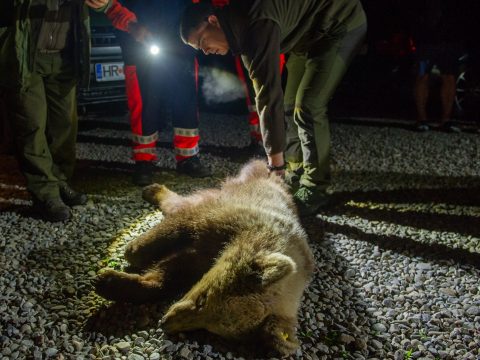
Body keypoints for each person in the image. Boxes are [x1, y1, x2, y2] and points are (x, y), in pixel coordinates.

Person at [180, 0, 367, 215]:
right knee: (288, 105)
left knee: (307, 106)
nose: (205, 51)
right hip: (306, 37)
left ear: (213, 21)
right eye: (198, 48)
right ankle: (295, 173)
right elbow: (265, 97)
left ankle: (315, 188)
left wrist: (274, 169)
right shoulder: (241, 36)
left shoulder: (256, 24)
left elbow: (269, 96)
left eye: (202, 41)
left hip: (339, 22)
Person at [0, 0, 113, 222]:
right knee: (31, 127)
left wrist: (103, 3)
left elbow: (102, 5)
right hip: (25, 55)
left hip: (64, 55)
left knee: (65, 126)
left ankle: (60, 181)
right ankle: (46, 194)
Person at [105, 0, 211, 186]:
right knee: (144, 104)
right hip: (138, 46)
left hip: (181, 44)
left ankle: (188, 157)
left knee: (186, 102)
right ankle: (143, 161)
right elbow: (110, 5)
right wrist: (132, 25)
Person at [411, 0, 464, 133]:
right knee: (422, 76)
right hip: (425, 37)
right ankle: (422, 119)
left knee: (449, 77)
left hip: (449, 38)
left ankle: (445, 120)